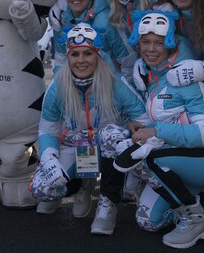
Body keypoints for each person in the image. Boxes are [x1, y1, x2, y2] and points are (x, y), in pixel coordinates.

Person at [120, 8, 204, 249]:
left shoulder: (186, 76)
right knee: (148, 221)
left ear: (170, 43)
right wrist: (137, 127)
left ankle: (195, 218)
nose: (150, 49)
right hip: (179, 157)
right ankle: (196, 198)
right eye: (145, 42)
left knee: (152, 159)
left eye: (158, 43)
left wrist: (156, 131)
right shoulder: (150, 74)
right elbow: (165, 120)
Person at [32, 23, 146, 236]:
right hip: (75, 145)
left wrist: (130, 127)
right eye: (74, 54)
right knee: (42, 188)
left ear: (98, 56)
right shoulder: (57, 86)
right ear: (68, 57)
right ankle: (82, 184)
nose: (81, 60)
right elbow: (47, 130)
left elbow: (144, 121)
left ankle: (108, 202)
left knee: (113, 135)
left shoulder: (116, 82)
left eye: (87, 53)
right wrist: (49, 158)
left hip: (106, 144)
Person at [50, 0, 109, 73]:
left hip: (104, 84)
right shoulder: (62, 21)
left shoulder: (104, 21)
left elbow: (123, 62)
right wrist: (58, 87)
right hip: (74, 85)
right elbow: (60, 63)